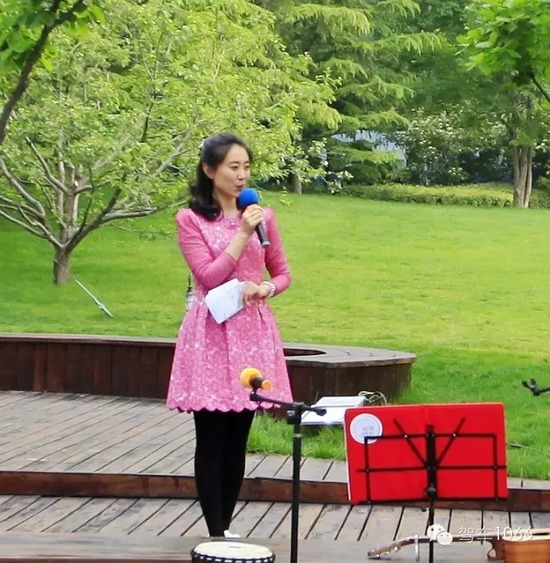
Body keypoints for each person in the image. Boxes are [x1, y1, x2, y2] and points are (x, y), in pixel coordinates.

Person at [166, 133, 293, 539]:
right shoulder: (190, 220)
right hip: (211, 333)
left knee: (239, 434)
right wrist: (241, 233)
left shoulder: (263, 215)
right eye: (233, 167)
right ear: (210, 170)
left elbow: (283, 273)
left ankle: (226, 527)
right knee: (211, 436)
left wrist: (266, 287)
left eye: (246, 167)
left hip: (252, 332)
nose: (242, 176)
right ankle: (215, 533)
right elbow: (209, 276)